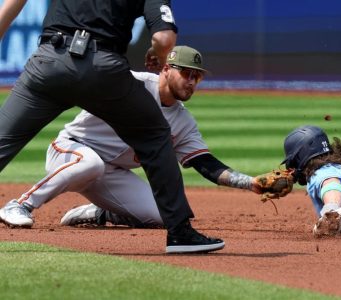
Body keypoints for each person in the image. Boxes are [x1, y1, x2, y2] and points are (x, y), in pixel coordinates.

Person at [0, 1, 223, 253]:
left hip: (49, 61)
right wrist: (159, 55)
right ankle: (180, 233)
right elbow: (164, 38)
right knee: (156, 134)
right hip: (103, 70)